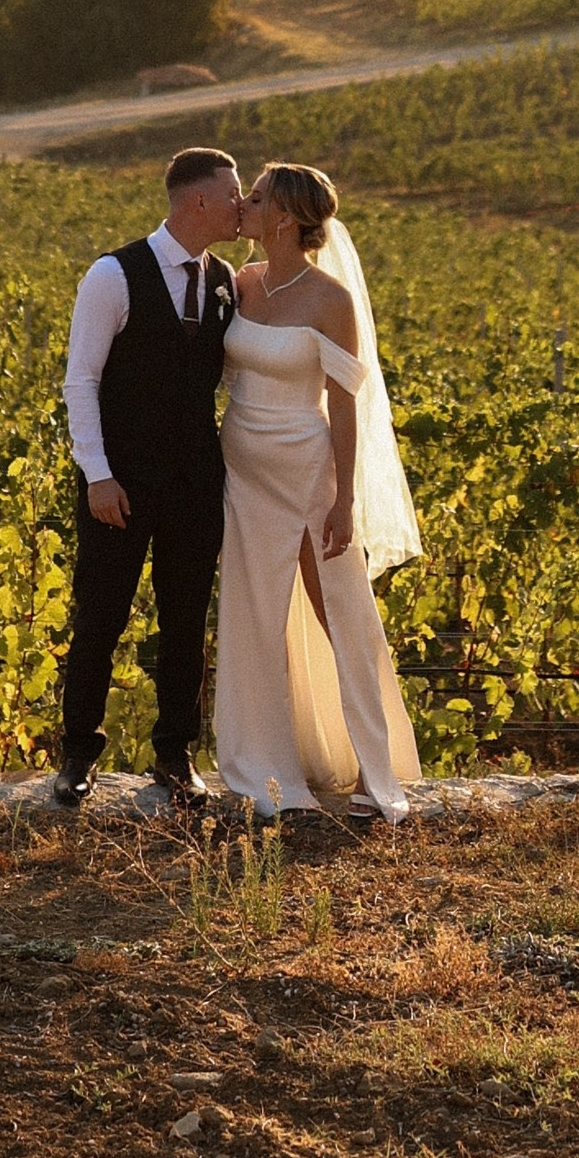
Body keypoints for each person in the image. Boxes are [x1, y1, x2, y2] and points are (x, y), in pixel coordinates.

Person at [213, 159, 421, 821]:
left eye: (256, 195)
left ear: (283, 216)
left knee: (338, 611)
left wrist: (343, 502)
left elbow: (346, 404)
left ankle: (371, 766)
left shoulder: (330, 300)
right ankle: (269, 764)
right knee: (256, 614)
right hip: (243, 474)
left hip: (305, 471)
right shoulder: (239, 285)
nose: (242, 203)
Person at [52, 144, 243, 807]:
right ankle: (78, 755)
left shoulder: (226, 281)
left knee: (186, 620)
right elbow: (81, 381)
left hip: (195, 481)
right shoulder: (113, 274)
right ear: (197, 200)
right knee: (100, 618)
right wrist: (98, 475)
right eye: (232, 193)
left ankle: (175, 755)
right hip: (120, 483)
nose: (240, 204)